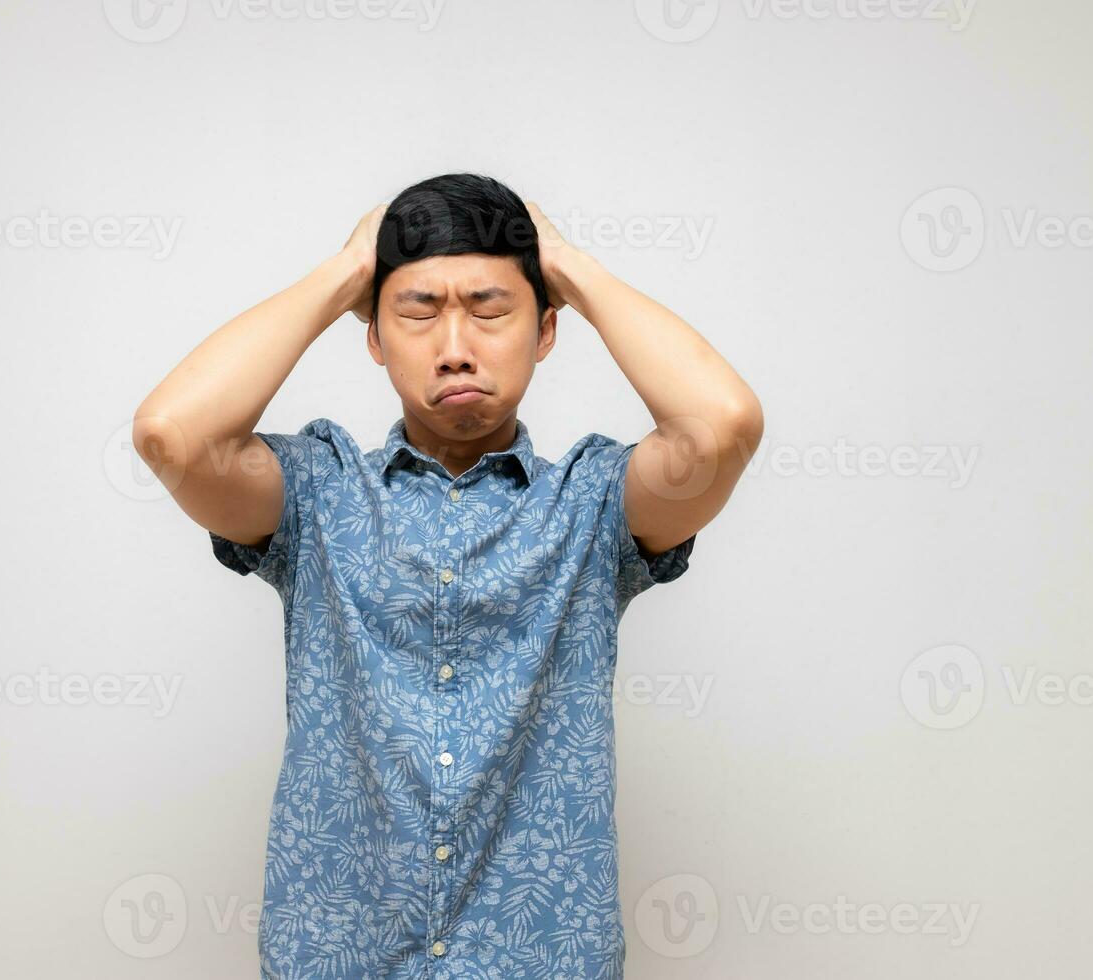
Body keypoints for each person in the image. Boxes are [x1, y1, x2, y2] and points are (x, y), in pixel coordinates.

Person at [133, 173, 764, 978]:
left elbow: (724, 427)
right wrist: (344, 272)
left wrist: (564, 263)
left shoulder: (594, 502)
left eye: (492, 309)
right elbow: (171, 437)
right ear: (373, 338)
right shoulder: (319, 493)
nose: (456, 344)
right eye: (419, 312)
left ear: (545, 331)